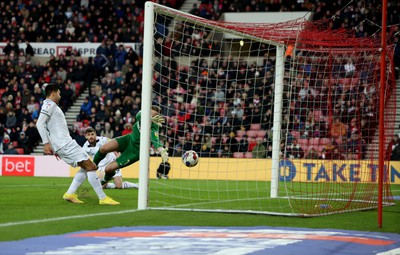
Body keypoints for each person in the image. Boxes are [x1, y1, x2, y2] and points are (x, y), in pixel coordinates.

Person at [36, 83, 119, 205]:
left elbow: (49, 128)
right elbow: (40, 124)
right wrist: (47, 143)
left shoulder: (51, 106)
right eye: (58, 93)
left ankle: (70, 193)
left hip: (63, 144)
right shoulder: (49, 104)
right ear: (53, 93)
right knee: (91, 166)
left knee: (86, 167)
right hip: (65, 144)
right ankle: (103, 198)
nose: (60, 96)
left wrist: (53, 146)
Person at [93, 105, 169, 185]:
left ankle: (105, 180)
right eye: (150, 114)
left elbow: (155, 139)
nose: (151, 116)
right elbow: (138, 115)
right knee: (103, 148)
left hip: (135, 151)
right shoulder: (142, 115)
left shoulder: (154, 126)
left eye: (153, 115)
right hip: (128, 139)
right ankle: (93, 166)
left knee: (108, 169)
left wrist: (161, 150)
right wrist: (148, 118)